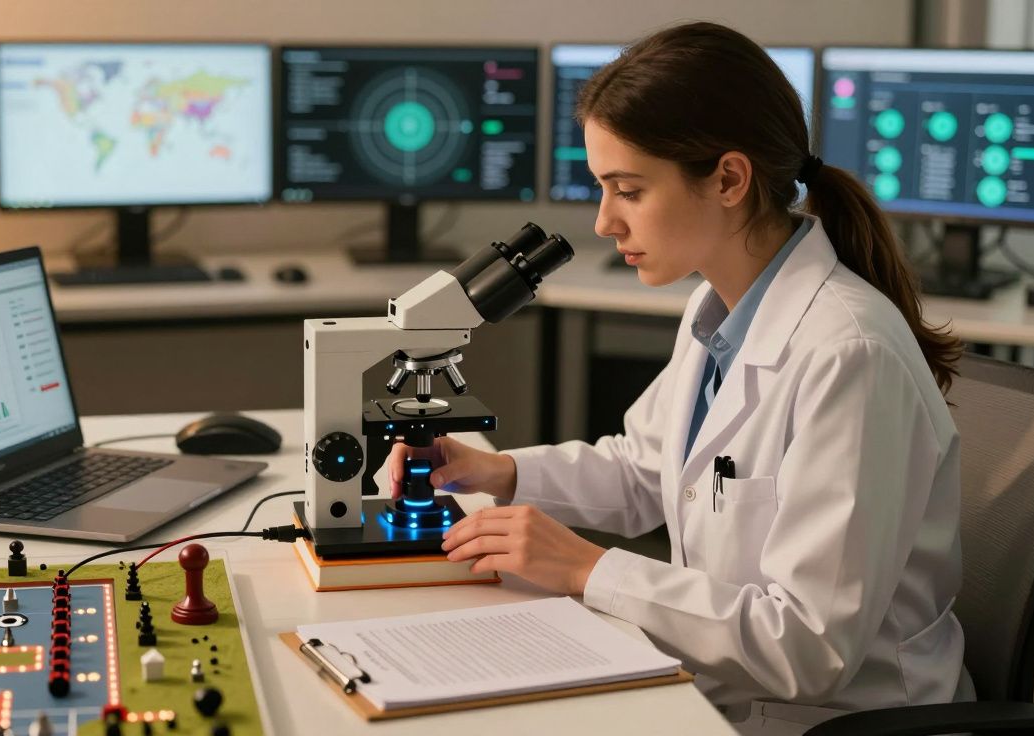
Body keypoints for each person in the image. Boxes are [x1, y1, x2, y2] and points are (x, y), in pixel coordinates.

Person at [387, 21, 972, 736]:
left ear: (729, 179)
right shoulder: (717, 304)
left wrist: (587, 569)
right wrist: (496, 471)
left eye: (628, 190)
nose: (604, 222)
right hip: (719, 688)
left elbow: (811, 648)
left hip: (832, 719)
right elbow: (647, 470)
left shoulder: (850, 355)